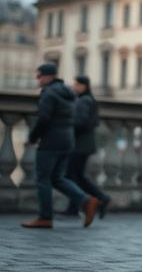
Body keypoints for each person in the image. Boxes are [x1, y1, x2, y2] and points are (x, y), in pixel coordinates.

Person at [21, 64, 100, 229]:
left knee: (43, 178)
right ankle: (86, 201)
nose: (38, 79)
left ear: (49, 76)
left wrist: (33, 137)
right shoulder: (69, 92)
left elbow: (44, 118)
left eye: (39, 76)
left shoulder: (49, 93)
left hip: (51, 140)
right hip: (68, 140)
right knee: (58, 178)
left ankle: (45, 217)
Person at [60, 76, 111, 218]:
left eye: (77, 84)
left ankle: (77, 206)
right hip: (83, 145)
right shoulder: (88, 100)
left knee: (71, 177)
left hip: (79, 145)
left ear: (84, 86)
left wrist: (67, 124)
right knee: (77, 176)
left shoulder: (84, 100)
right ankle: (98, 200)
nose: (74, 87)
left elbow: (80, 122)